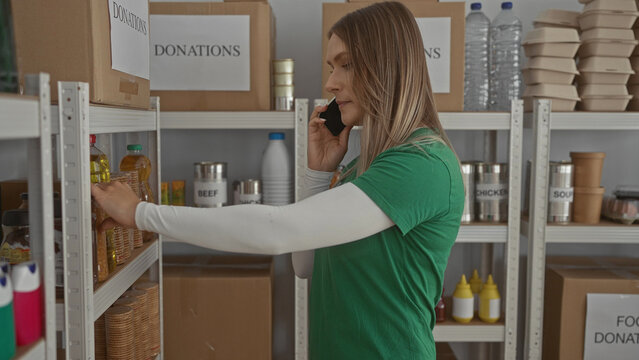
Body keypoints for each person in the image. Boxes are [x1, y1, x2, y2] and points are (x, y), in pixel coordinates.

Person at [92, 2, 464, 359]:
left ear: (389, 67)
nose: (331, 83)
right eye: (330, 67)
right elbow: (306, 265)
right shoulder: (364, 167)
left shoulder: (423, 165)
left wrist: (141, 214)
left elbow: (277, 232)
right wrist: (318, 172)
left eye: (346, 65)